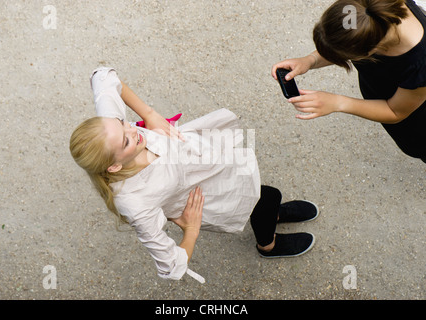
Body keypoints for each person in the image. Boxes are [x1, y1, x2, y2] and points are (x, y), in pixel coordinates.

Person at [69, 67, 318, 282]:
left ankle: (271, 214)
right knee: (265, 196)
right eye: (125, 142)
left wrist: (149, 114)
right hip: (208, 195)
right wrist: (191, 231)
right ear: (113, 167)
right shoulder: (135, 203)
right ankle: (268, 244)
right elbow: (171, 266)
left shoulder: (111, 132)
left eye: (122, 123)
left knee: (258, 191)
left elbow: (104, 76)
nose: (133, 131)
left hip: (205, 162)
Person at [272, 0, 426, 163]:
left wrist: (338, 103)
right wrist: (310, 60)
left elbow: (395, 111)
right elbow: (346, 37)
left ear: (370, 52)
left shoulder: (420, 64)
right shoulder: (365, 13)